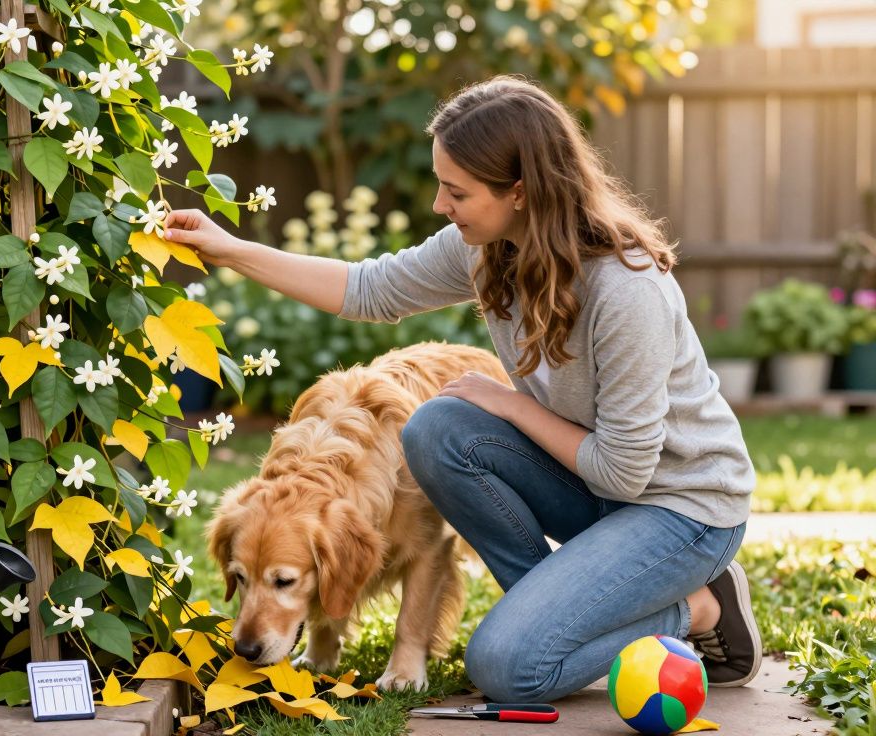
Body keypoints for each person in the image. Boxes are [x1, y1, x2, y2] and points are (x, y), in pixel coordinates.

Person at [159, 75, 761, 702]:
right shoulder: (490, 248)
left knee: (508, 670)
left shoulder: (625, 291)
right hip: (597, 490)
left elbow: (624, 471)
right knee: (438, 428)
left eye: (456, 191)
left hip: (679, 508)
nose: (440, 205)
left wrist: (507, 403)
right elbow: (369, 289)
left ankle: (700, 610)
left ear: (520, 192)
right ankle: (563, 613)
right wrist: (230, 251)